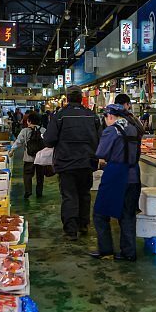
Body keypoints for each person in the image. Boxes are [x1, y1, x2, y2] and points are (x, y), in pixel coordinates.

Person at [44, 86, 101, 240]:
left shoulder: (60, 116)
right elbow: (100, 139)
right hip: (87, 163)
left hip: (66, 163)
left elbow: (49, 140)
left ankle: (71, 231)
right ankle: (83, 225)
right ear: (81, 98)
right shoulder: (92, 116)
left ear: (67, 98)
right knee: (84, 194)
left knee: (69, 196)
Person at [89, 104, 141, 261]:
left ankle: (105, 249)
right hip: (134, 175)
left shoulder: (112, 130)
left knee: (100, 214)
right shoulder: (134, 127)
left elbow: (101, 152)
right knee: (127, 215)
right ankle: (129, 252)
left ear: (110, 116)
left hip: (116, 175)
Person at [10, 112, 46, 199]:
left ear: (29, 121)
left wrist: (12, 150)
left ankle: (28, 191)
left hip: (29, 158)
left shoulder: (25, 131)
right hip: (41, 158)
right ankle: (39, 192)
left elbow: (18, 142)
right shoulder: (43, 130)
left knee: (27, 175)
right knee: (40, 176)